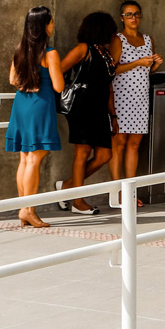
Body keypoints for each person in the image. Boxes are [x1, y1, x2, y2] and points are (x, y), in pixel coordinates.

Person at [4, 6, 64, 228]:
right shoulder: (50, 53)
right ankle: (28, 210)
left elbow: (12, 80)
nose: (53, 25)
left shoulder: (20, 50)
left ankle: (24, 209)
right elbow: (59, 86)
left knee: (25, 159)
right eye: (51, 21)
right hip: (40, 105)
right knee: (34, 160)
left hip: (22, 104)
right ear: (43, 26)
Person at [54, 12, 118, 216]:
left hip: (100, 109)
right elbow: (58, 70)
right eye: (110, 28)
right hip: (81, 108)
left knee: (104, 155)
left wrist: (113, 115)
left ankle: (67, 186)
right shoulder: (83, 49)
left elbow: (109, 86)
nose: (113, 33)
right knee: (82, 153)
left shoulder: (105, 53)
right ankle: (78, 201)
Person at [108, 0, 162, 208]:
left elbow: (147, 71)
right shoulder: (118, 39)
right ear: (122, 18)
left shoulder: (148, 39)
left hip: (140, 98)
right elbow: (112, 69)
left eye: (137, 14)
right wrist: (138, 62)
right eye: (129, 14)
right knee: (119, 144)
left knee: (134, 145)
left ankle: (130, 192)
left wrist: (155, 65)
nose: (133, 18)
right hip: (121, 97)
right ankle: (116, 193)